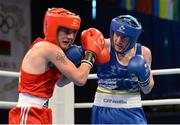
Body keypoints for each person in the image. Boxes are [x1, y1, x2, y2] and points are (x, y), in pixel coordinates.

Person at [8, 7, 106, 124]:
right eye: (65, 31)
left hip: (40, 112)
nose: (70, 37)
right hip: (29, 113)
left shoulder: (46, 48)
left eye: (73, 32)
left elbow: (60, 82)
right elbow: (80, 79)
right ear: (53, 28)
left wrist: (86, 63)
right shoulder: (49, 49)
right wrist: (90, 54)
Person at [91, 15, 155, 124]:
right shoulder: (103, 45)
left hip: (132, 110)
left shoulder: (144, 52)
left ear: (133, 38)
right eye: (117, 34)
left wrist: (143, 77)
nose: (118, 40)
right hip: (103, 109)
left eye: (124, 37)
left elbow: (147, 90)